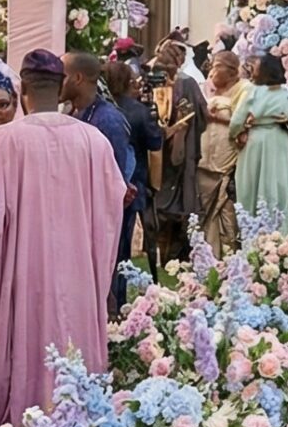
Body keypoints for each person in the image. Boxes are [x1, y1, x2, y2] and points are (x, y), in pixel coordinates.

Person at [0, 43, 126, 427]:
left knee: (25, 341)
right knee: (74, 341)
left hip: (25, 267)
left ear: (22, 90)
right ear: (60, 88)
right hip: (79, 269)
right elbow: (112, 207)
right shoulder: (92, 140)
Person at [57, 52, 138, 300]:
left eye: (61, 76)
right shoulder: (74, 113)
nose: (56, 82)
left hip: (102, 223)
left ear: (77, 78)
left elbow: (115, 181)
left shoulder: (108, 121)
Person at [105, 58, 165, 273]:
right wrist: (155, 185)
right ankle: (119, 287)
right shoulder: (139, 112)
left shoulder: (97, 109)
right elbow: (155, 146)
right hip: (132, 182)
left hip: (101, 182)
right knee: (122, 243)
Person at [231, 53, 288, 225]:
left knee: (251, 185)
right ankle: (279, 231)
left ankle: (251, 229)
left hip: (256, 140)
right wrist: (287, 123)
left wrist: (236, 134)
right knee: (278, 183)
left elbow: (237, 120)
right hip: (280, 140)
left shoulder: (252, 92)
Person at [151, 40, 205, 265]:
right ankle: (169, 250)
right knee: (172, 197)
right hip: (166, 149)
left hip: (173, 148)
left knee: (172, 196)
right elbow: (202, 115)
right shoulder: (183, 83)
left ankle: (170, 250)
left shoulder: (186, 84)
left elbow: (199, 114)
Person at [198, 50, 245, 248]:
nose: (212, 72)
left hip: (224, 158)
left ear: (232, 71)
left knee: (224, 203)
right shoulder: (208, 89)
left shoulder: (243, 90)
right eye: (212, 66)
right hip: (204, 158)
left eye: (217, 66)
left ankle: (225, 248)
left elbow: (243, 122)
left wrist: (216, 118)